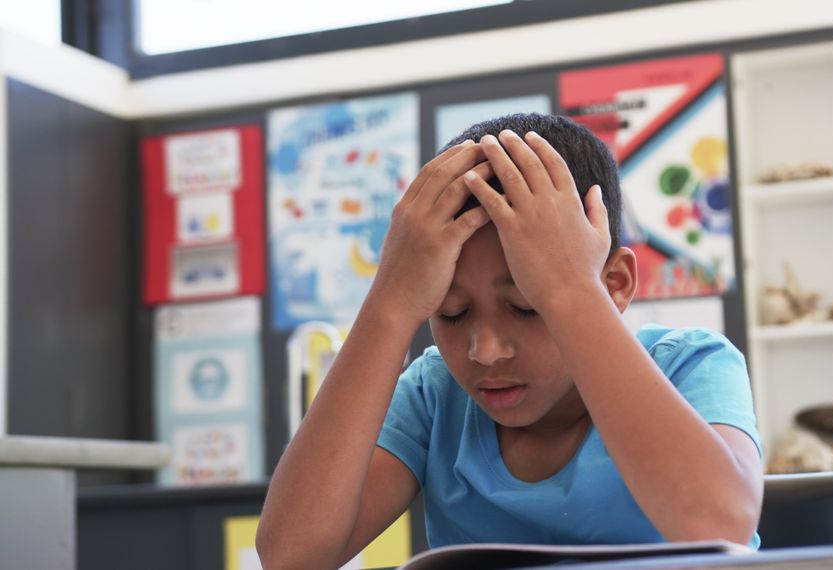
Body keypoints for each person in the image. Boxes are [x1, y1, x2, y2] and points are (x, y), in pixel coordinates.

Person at [256, 113, 763, 570]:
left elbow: (717, 525)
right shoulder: (434, 397)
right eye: (450, 313)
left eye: (526, 306)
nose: (486, 350)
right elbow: (292, 556)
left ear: (615, 285)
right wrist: (390, 302)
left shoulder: (693, 364)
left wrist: (569, 290)